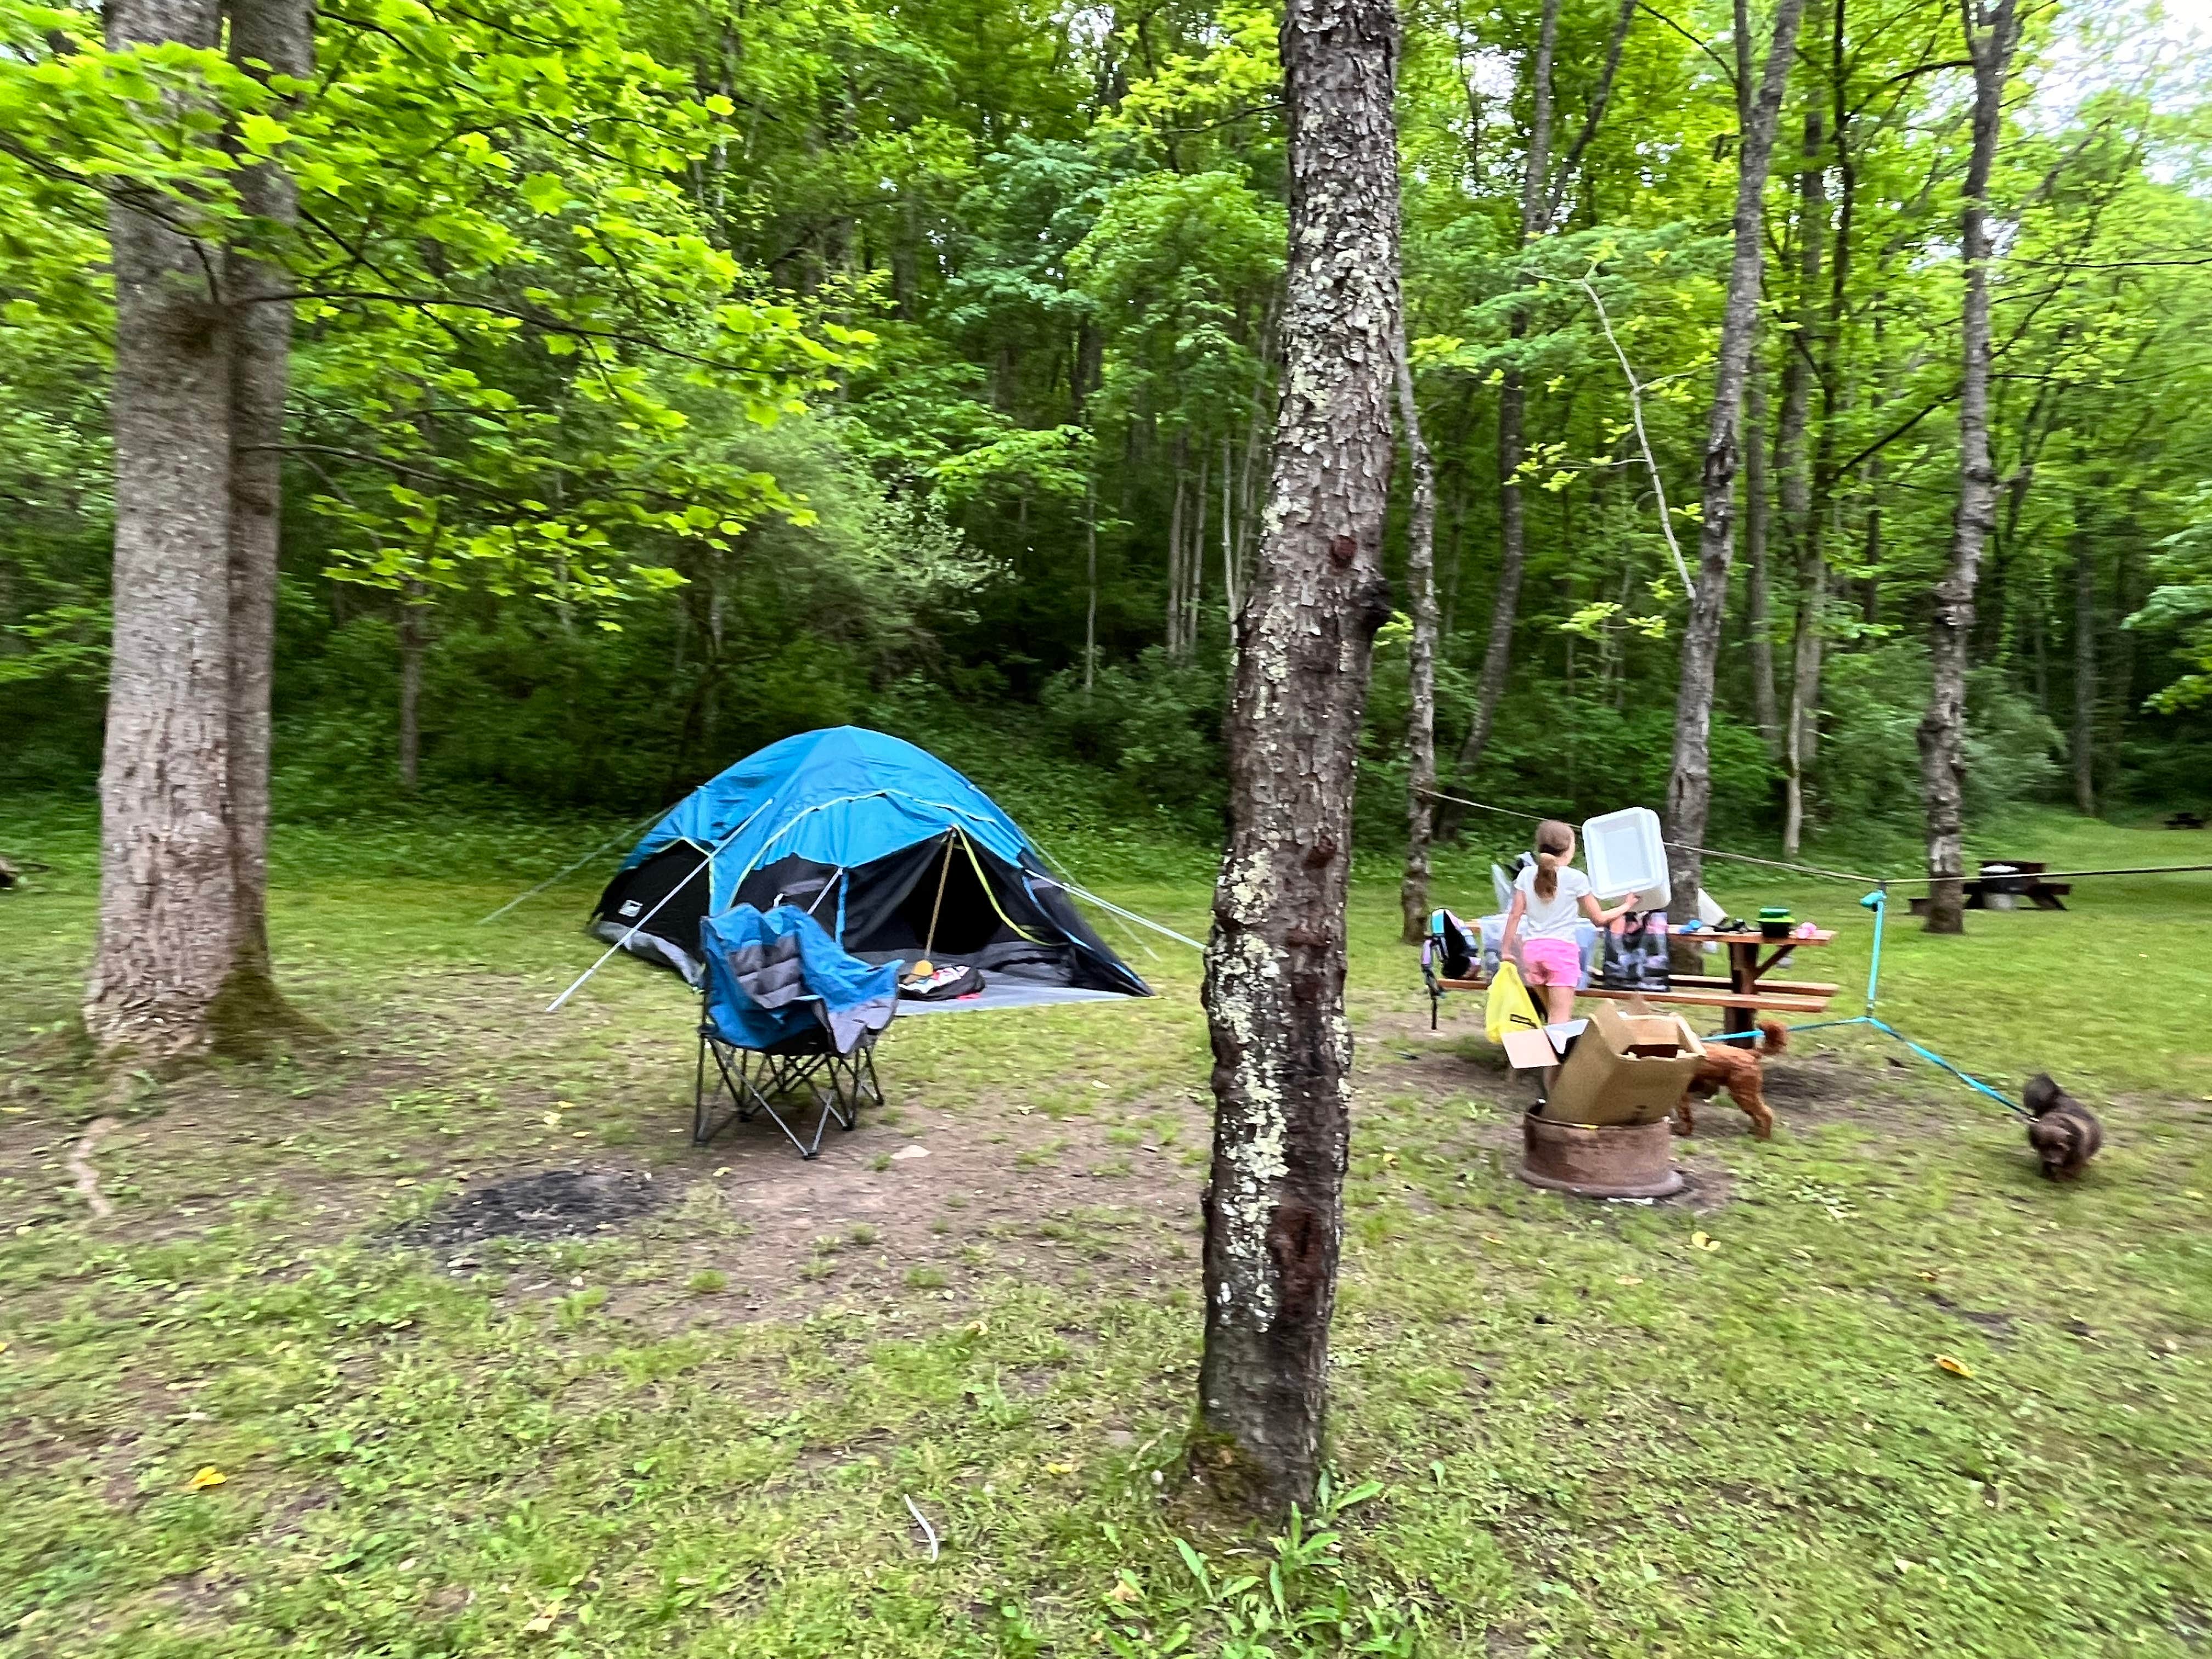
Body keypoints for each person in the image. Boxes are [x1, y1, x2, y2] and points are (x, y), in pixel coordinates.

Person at [1500, 819, 1640, 1024]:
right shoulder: (1576, 879)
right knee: (1560, 1018)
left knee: (1551, 1013)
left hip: (1532, 952)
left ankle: (1548, 1052)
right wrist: (1626, 906)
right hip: (1560, 954)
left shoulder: (1526, 874)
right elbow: (1599, 919)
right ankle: (1557, 1055)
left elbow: (1514, 915)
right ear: (1569, 849)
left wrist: (1506, 950)